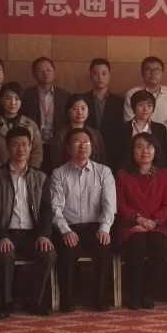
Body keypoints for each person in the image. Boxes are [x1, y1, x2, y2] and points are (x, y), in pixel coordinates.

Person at [0, 126, 55, 317]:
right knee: (4, 254)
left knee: (47, 253)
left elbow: (47, 210)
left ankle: (35, 302)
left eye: (24, 144)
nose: (20, 149)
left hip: (33, 234)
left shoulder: (41, 177)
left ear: (31, 147)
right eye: (15, 144)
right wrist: (0, 236)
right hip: (7, 233)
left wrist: (44, 235)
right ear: (7, 147)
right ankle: (5, 303)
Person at [49, 128, 117, 312]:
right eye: (77, 142)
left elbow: (109, 204)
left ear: (92, 146)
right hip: (69, 227)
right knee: (66, 250)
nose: (82, 146)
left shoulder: (104, 172)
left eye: (86, 142)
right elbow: (55, 208)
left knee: (104, 248)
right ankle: (67, 300)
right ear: (68, 148)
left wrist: (104, 228)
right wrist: (65, 231)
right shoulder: (58, 174)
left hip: (96, 226)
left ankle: (100, 299)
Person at [114, 134, 167, 310]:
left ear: (155, 150)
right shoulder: (122, 175)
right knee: (137, 247)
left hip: (157, 226)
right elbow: (119, 204)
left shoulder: (164, 175)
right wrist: (138, 219)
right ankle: (134, 294)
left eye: (149, 146)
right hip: (131, 226)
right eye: (139, 146)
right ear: (132, 151)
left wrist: (153, 222)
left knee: (160, 249)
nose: (145, 151)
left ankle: (148, 293)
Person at [0, 82, 41, 172]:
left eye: (17, 99)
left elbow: (37, 153)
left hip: (26, 174)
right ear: (1, 100)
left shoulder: (31, 125)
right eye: (8, 98)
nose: (13, 102)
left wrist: (28, 172)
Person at [77, 58, 126, 170]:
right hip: (86, 151)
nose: (100, 78)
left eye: (104, 73)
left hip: (113, 152)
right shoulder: (81, 100)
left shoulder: (120, 102)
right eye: (95, 74)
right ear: (90, 76)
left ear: (109, 76)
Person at [21, 56, 69, 147]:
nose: (45, 73)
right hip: (33, 143)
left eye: (48, 70)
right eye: (41, 71)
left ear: (54, 72)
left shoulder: (65, 95)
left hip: (58, 143)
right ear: (34, 74)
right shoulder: (26, 95)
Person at [51, 96, 108, 171]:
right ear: (68, 112)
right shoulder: (61, 135)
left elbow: (102, 159)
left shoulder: (95, 134)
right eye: (75, 109)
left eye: (83, 108)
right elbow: (56, 161)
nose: (80, 112)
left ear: (88, 112)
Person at [123, 56, 167, 127]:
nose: (153, 73)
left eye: (156, 70)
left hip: (166, 134)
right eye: (148, 69)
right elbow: (129, 120)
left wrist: (159, 131)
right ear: (142, 73)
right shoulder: (132, 93)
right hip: (139, 133)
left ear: (162, 73)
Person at [118, 90, 167, 170]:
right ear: (133, 107)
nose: (145, 109)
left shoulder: (160, 129)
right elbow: (118, 155)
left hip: (154, 171)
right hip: (128, 171)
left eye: (149, 105)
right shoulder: (122, 128)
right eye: (141, 105)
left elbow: (162, 155)